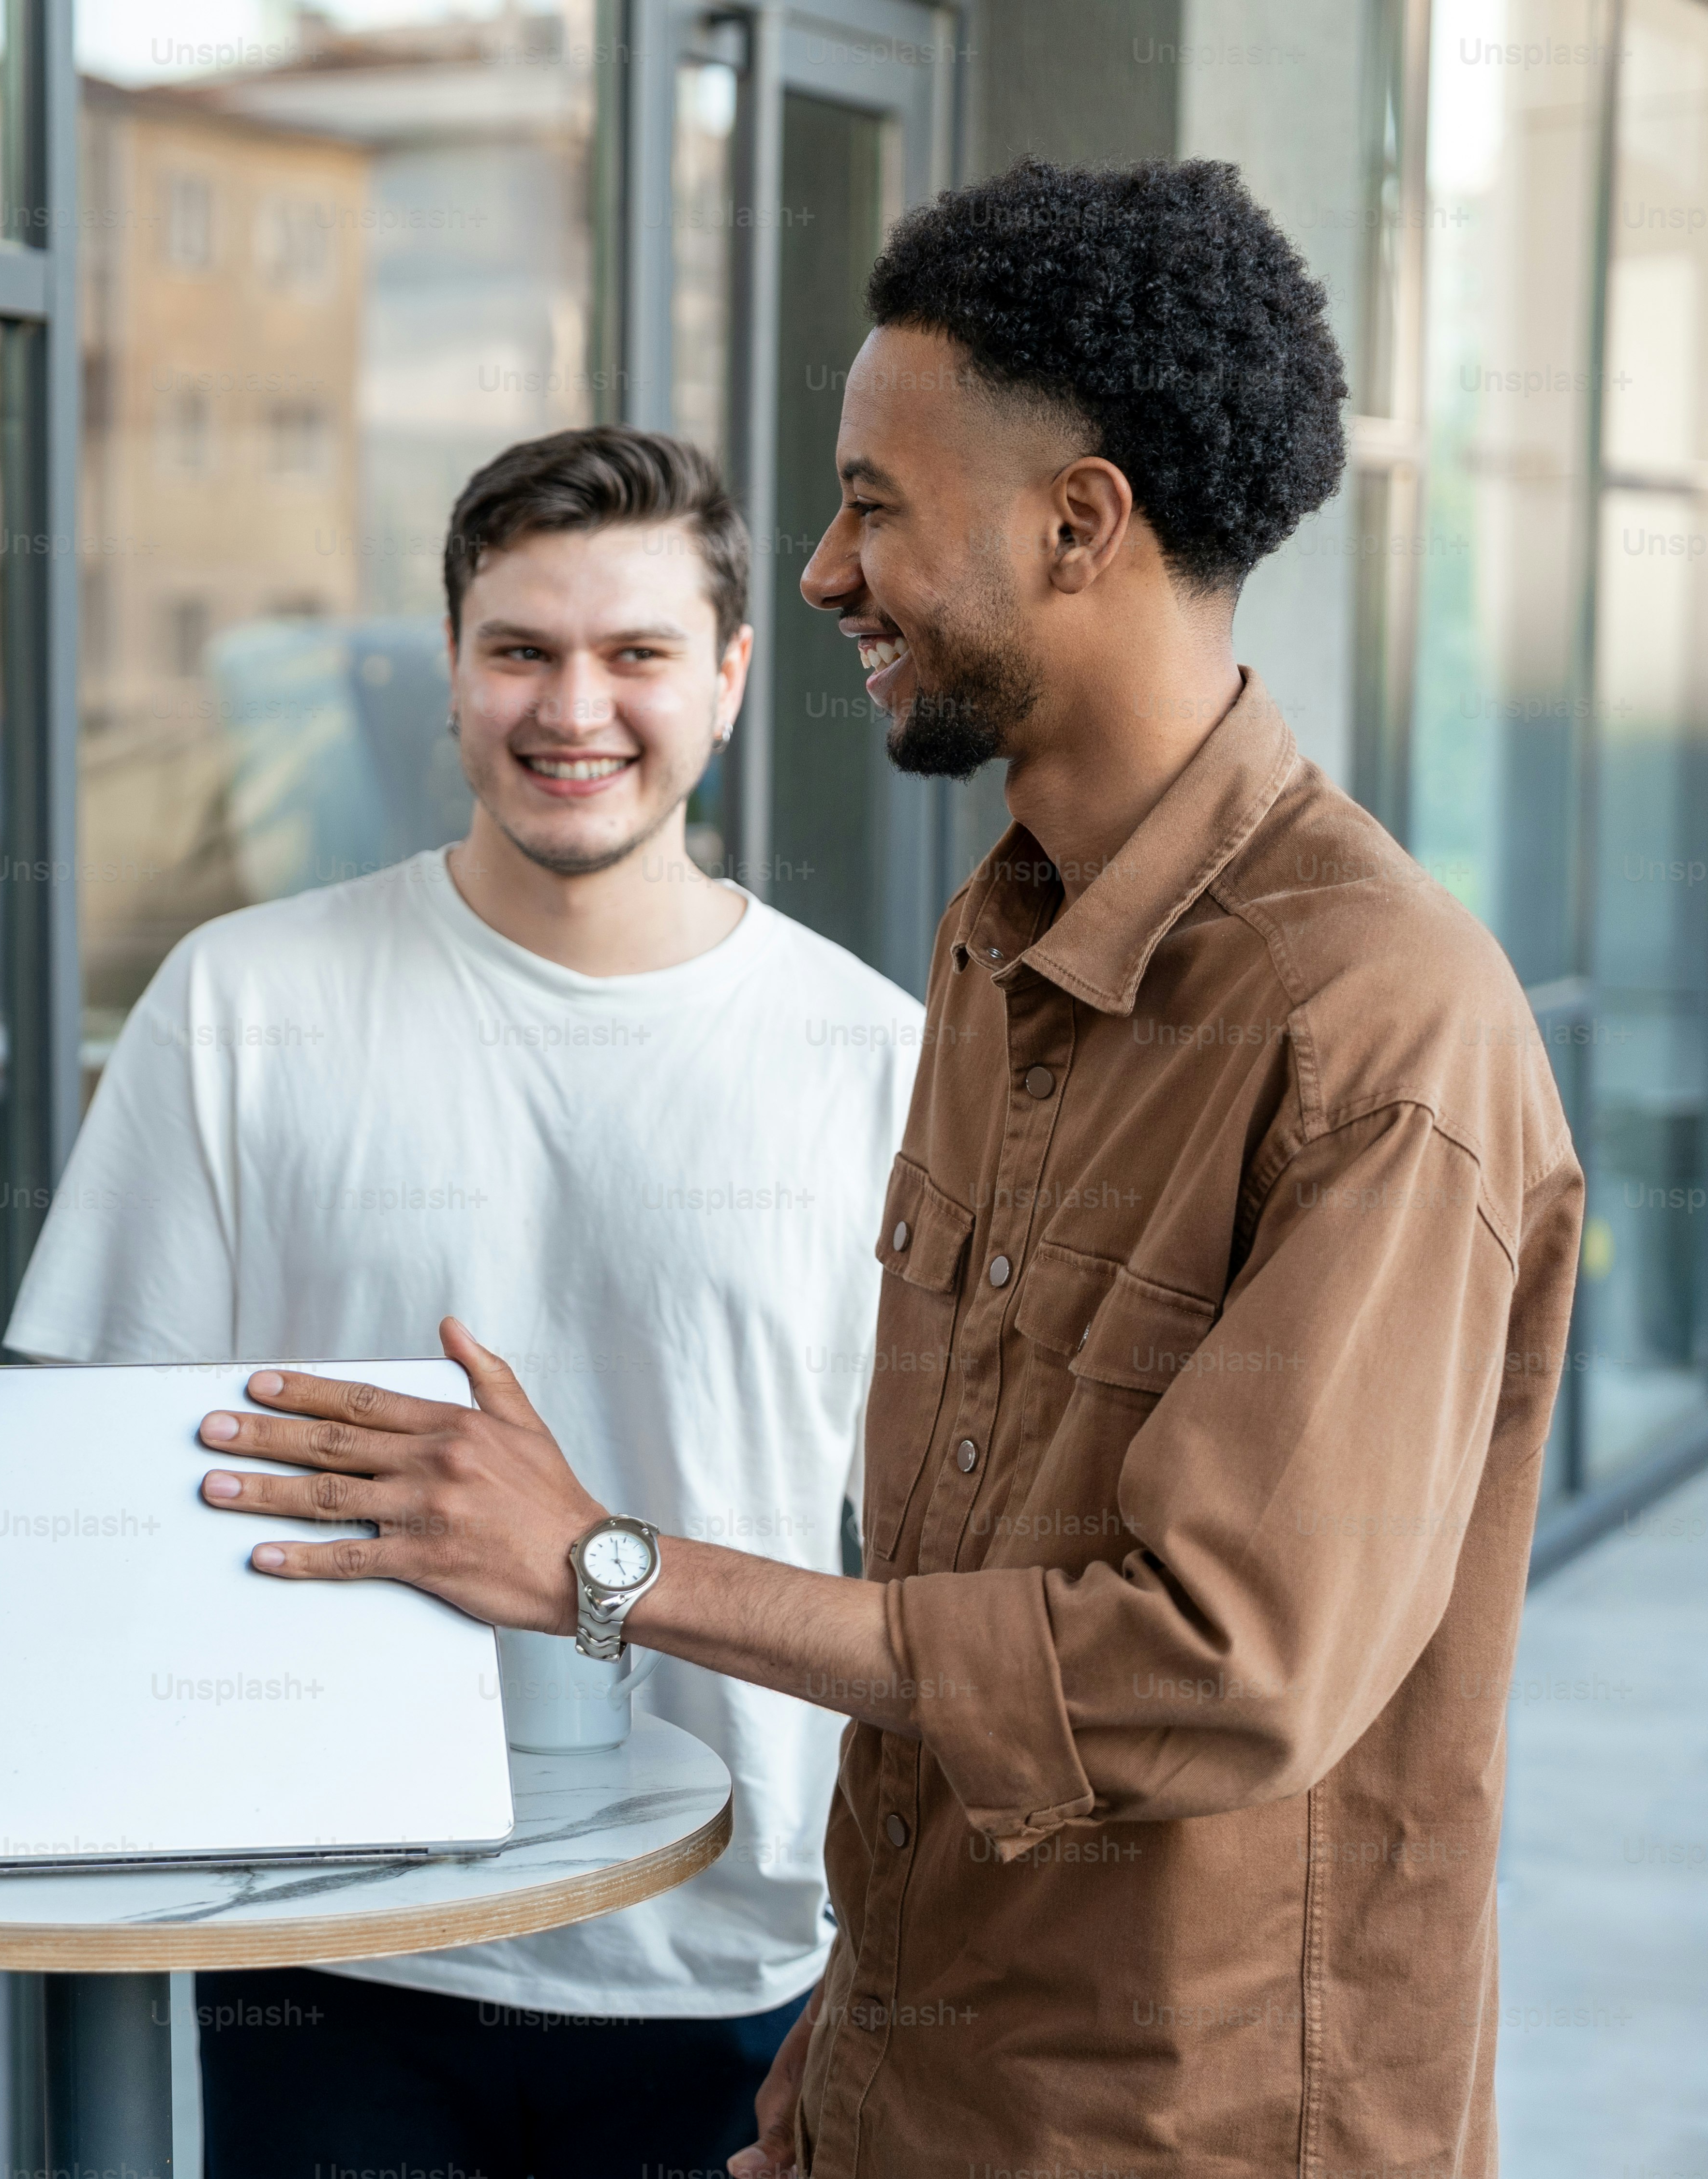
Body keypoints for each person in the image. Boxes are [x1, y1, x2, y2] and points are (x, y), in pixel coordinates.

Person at [186, 159, 1579, 2179]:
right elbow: (959, 1586)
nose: (828, 572)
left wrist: (609, 1567)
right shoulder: (999, 949)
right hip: (912, 2098)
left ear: (1079, 523)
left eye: (876, 504)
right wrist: (849, 2040)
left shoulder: (1377, 1025)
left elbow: (1216, 1668)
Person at [4, 426, 923, 2178]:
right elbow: (90, 1471)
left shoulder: (875, 1060)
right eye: (521, 650)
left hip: (731, 1953)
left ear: (729, 679)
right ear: (450, 675)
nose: (573, 705)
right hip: (326, 1934)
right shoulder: (242, 1001)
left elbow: (925, 1561)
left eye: (636, 653)